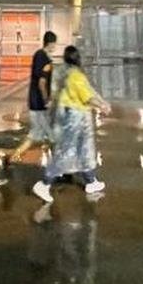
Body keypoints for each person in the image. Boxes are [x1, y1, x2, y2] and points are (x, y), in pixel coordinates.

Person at [33, 45, 109, 203]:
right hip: (75, 117)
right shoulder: (76, 75)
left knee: (83, 150)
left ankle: (91, 181)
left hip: (71, 115)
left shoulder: (63, 72)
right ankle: (44, 184)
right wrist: (102, 106)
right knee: (66, 152)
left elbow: (56, 92)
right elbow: (87, 96)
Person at [9, 30, 58, 162]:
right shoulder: (44, 58)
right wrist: (46, 99)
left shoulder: (39, 55)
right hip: (39, 104)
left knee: (39, 134)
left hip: (35, 102)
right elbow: (42, 82)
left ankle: (14, 156)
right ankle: (58, 165)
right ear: (51, 43)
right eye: (54, 44)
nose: (55, 47)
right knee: (49, 135)